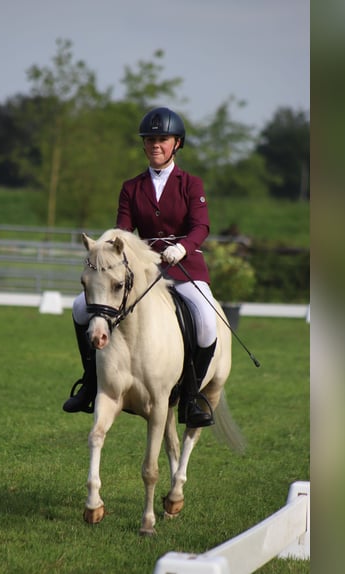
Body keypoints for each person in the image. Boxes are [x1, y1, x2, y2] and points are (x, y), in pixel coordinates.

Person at [62, 107, 219, 428]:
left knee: (206, 322)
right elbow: (122, 231)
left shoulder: (191, 184)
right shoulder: (131, 187)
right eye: (149, 140)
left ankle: (191, 397)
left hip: (185, 266)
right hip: (146, 270)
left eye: (162, 139)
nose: (155, 145)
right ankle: (90, 382)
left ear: (177, 143)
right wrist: (110, 250)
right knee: (81, 308)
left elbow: (201, 226)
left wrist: (182, 247)